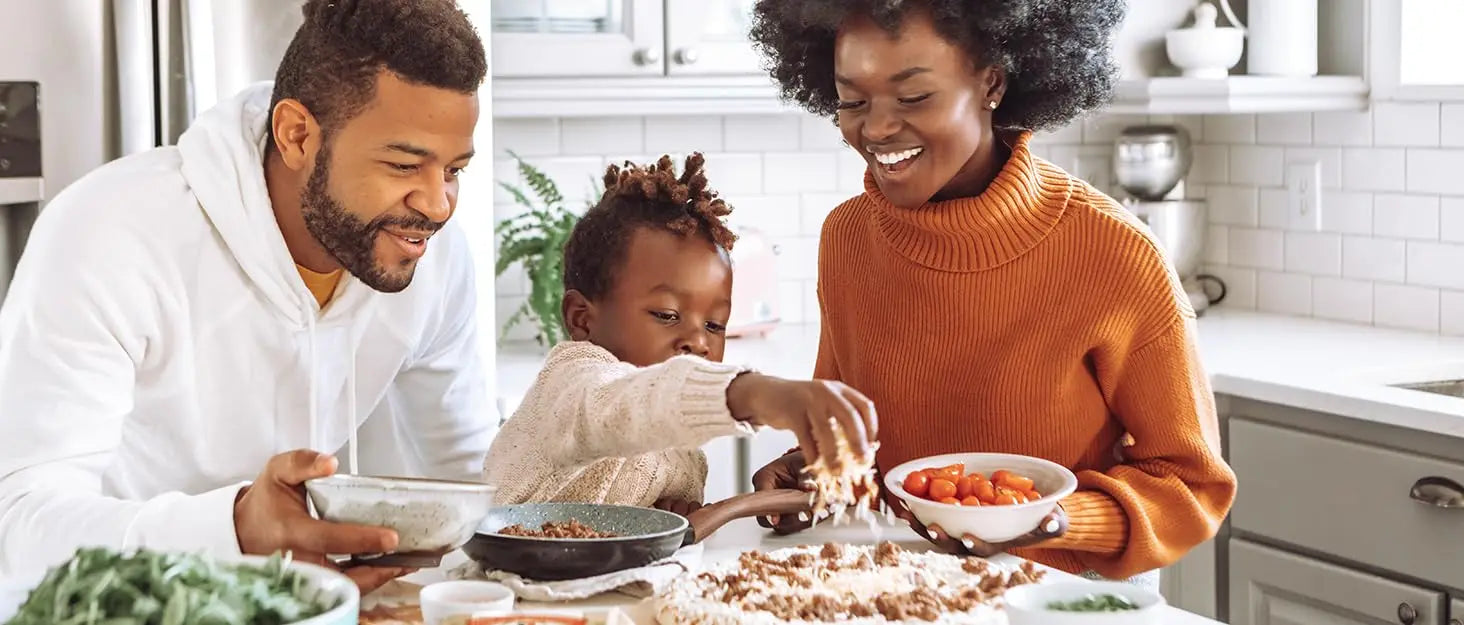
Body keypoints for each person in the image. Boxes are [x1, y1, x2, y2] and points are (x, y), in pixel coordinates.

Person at [0, 0, 493, 592]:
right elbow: (19, 527)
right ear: (297, 135)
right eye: (403, 164)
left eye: (455, 170)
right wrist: (234, 528)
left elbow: (467, 480)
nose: (438, 205)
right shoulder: (107, 233)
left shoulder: (432, 257)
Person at [746, 0, 1238, 586]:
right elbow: (861, 446)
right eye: (852, 100)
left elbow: (1189, 484)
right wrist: (815, 474)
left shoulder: (1115, 253)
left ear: (992, 82)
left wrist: (1053, 521)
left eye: (912, 98)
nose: (875, 128)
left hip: (1068, 595)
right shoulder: (847, 240)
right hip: (906, 589)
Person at [484, 154, 876, 522]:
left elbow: (635, 511)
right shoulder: (572, 383)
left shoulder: (683, 449)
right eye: (667, 315)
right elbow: (624, 407)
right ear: (582, 319)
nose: (698, 342)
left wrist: (668, 515)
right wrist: (755, 394)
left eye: (714, 325)